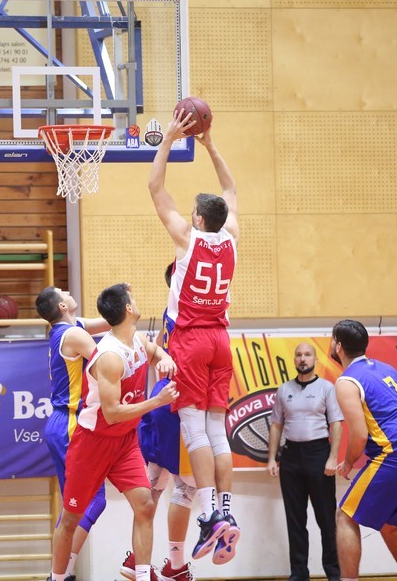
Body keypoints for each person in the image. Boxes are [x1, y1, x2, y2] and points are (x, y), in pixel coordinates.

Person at [148, 108, 241, 563]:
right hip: (223, 340)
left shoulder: (187, 238)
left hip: (190, 339)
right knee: (217, 432)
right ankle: (227, 512)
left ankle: (210, 516)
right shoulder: (232, 237)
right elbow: (231, 190)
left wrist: (168, 139)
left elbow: (155, 188)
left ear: (199, 220)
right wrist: (209, 145)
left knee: (193, 430)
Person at [50, 283, 178, 581]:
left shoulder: (135, 340)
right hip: (93, 442)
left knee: (144, 504)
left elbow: (152, 349)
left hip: (125, 442)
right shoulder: (109, 355)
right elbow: (112, 413)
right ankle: (57, 578)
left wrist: (164, 357)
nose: (136, 300)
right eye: (132, 298)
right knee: (71, 519)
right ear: (129, 310)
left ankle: (143, 576)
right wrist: (156, 402)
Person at [330, 320, 397, 581]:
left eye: (332, 340)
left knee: (345, 516)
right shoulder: (386, 369)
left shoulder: (346, 381)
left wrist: (347, 464)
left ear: (339, 346)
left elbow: (359, 435)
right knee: (391, 526)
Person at [123, 264, 196, 581]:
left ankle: (138, 562)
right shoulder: (193, 314)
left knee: (154, 487)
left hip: (162, 401)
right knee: (187, 487)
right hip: (176, 404)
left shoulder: (174, 311)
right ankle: (175, 566)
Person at [35, 286, 112, 581]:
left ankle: (59, 574)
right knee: (92, 500)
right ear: (62, 306)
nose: (68, 291)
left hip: (62, 423)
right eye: (62, 292)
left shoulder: (70, 328)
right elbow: (106, 363)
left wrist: (120, 301)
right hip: (70, 424)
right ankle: (61, 573)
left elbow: (108, 321)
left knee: (75, 504)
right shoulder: (74, 335)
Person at [268, 342, 343, 581]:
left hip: (319, 455)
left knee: (326, 518)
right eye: (299, 354)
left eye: (307, 354)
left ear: (314, 360)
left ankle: (334, 571)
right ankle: (299, 573)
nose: (303, 358)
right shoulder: (284, 389)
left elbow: (336, 424)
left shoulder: (326, 388)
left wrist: (333, 457)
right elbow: (277, 424)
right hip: (291, 458)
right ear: (294, 360)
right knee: (295, 519)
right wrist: (272, 458)